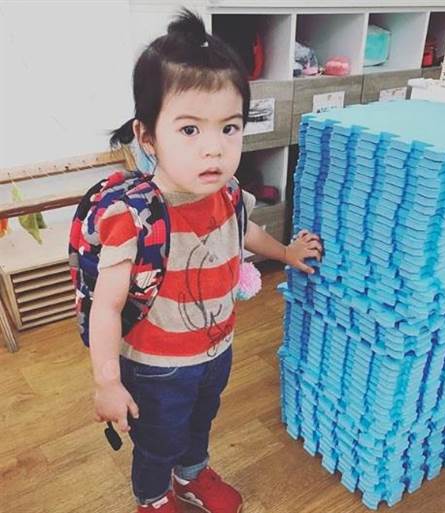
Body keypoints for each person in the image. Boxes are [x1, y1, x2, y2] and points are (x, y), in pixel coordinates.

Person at [90, 9, 322, 513]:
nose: (214, 148)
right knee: (158, 440)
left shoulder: (229, 194)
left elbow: (245, 232)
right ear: (147, 136)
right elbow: (105, 307)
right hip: (156, 368)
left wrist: (285, 253)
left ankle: (191, 474)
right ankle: (153, 497)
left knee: (200, 421)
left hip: (216, 350)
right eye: (190, 129)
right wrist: (107, 381)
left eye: (229, 127)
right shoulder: (134, 217)